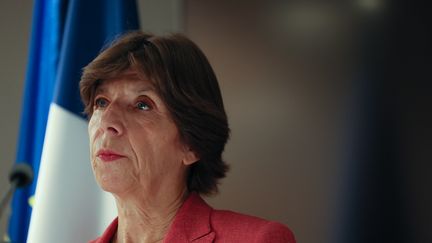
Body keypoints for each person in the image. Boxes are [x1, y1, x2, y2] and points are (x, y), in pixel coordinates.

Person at [80, 31, 296, 243]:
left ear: (191, 144)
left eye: (142, 105)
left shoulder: (259, 240)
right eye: (101, 102)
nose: (107, 122)